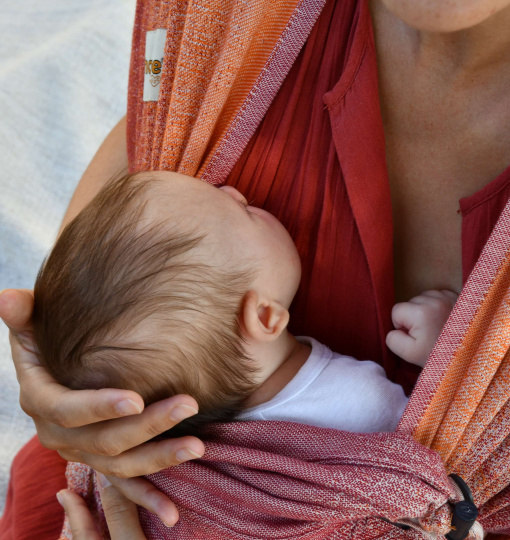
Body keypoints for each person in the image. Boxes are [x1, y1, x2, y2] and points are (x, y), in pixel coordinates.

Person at [1, 0, 510, 537]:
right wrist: (71, 380)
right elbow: (157, 119)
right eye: (235, 207)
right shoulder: (218, 28)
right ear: (265, 318)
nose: (233, 190)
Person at [32, 171, 455, 438]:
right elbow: (451, 458)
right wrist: (452, 352)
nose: (235, 189)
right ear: (265, 317)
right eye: (244, 212)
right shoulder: (361, 407)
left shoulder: (171, 438)